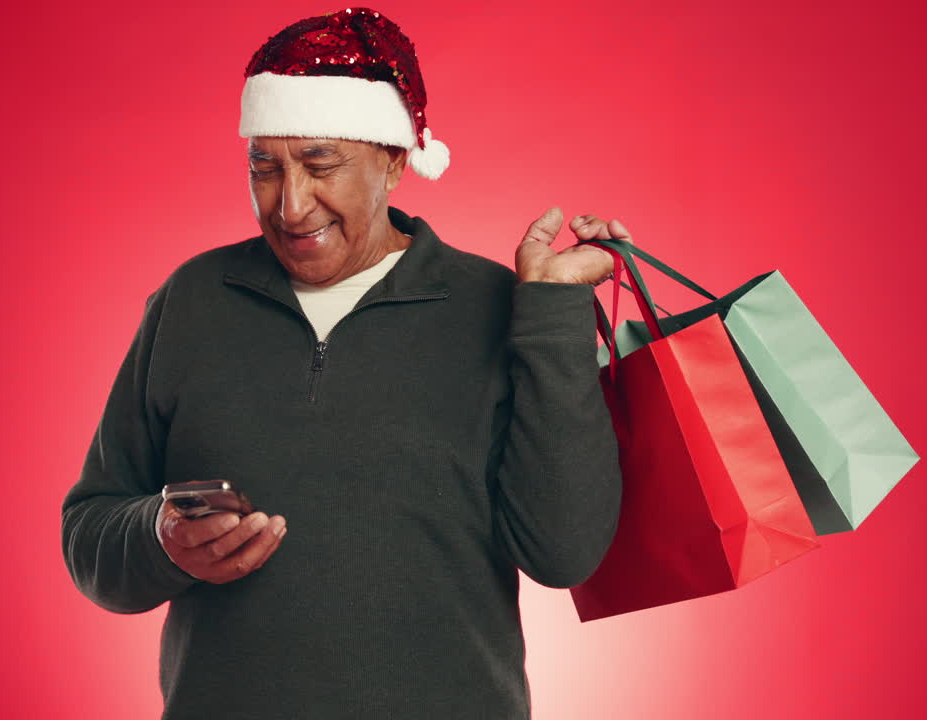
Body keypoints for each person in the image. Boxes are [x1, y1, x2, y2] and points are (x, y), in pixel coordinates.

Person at [61, 7, 627, 719]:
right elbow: (90, 532)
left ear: (395, 161)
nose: (291, 205)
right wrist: (161, 539)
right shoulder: (192, 302)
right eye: (264, 166)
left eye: (320, 163)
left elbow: (563, 553)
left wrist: (551, 318)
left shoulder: (495, 306)